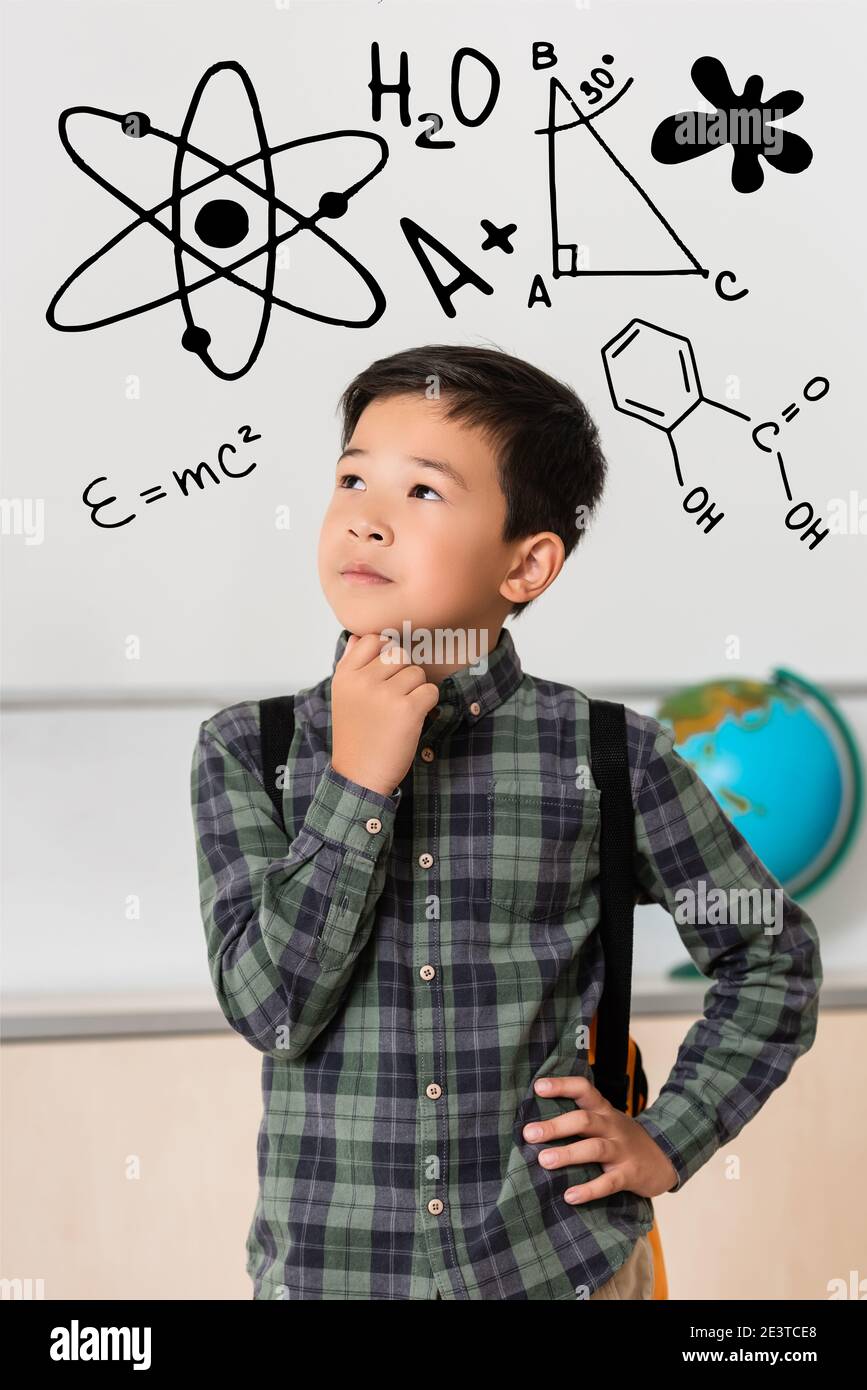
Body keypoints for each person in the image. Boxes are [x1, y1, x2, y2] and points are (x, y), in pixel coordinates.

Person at [190, 343, 822, 1300]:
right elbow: (271, 1011)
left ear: (526, 563)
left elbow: (770, 955)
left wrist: (670, 1137)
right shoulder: (251, 747)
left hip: (559, 1271)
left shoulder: (613, 756)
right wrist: (359, 781)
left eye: (423, 492)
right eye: (352, 477)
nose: (364, 516)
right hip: (332, 1278)